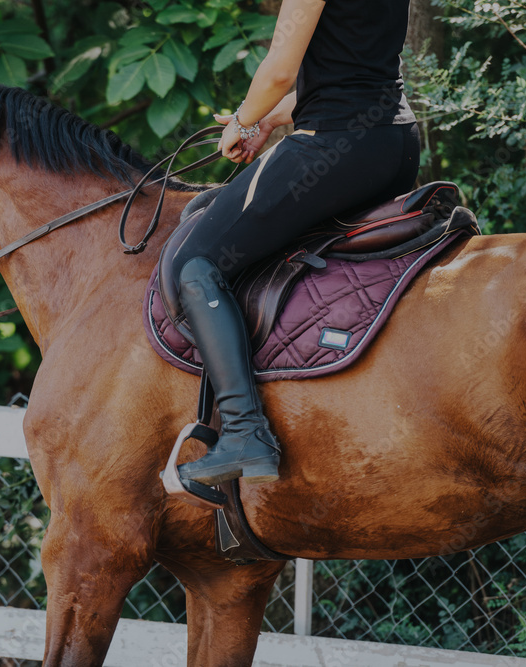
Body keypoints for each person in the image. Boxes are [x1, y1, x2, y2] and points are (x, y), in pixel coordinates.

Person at [171, 0, 420, 488]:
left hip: (335, 144)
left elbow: (280, 71)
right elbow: (349, 68)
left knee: (195, 264)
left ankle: (244, 431)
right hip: (395, 142)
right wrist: (272, 120)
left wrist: (243, 121)